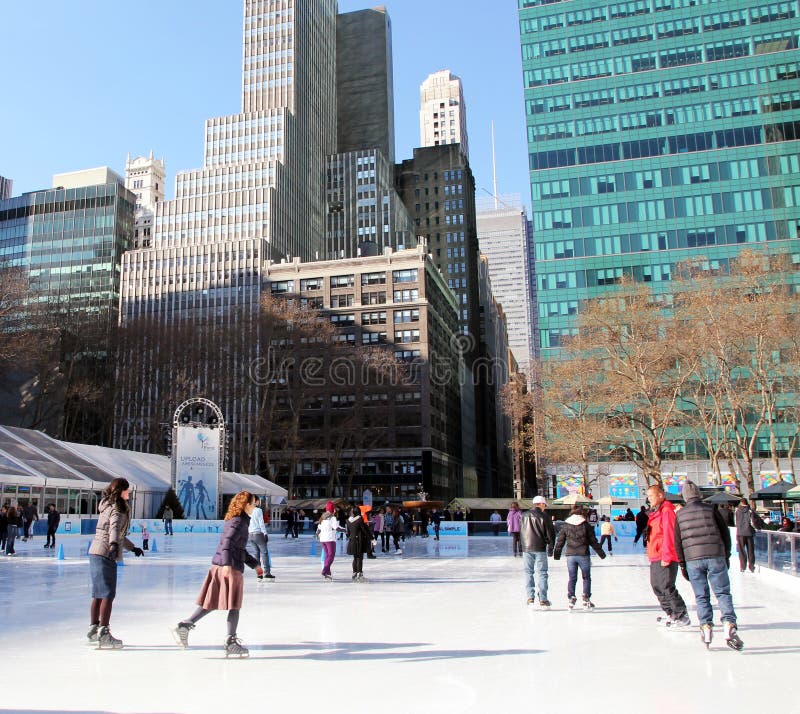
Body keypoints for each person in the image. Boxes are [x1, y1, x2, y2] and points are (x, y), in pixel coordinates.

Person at [173, 491, 262, 657]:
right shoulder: (238, 522)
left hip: (222, 566)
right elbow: (227, 544)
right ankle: (231, 642)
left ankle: (185, 625)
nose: (254, 507)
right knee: (234, 605)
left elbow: (238, 549)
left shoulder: (235, 520)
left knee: (211, 602)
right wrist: (228, 565)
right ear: (245, 504)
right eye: (253, 504)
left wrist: (254, 564)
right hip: (228, 567)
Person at [675, 481, 744, 651]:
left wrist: (682, 564)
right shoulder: (710, 509)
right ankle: (729, 622)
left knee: (701, 596)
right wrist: (726, 555)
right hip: (715, 555)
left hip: (693, 559)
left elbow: (678, 542)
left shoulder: (680, 515)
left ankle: (706, 627)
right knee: (722, 592)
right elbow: (725, 533)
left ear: (684, 497)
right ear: (699, 494)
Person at [88, 478, 144, 648]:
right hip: (106, 553)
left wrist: (132, 548)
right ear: (121, 491)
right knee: (108, 595)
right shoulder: (118, 509)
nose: (129, 493)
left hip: (95, 552)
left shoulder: (106, 506)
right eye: (127, 490)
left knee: (98, 594)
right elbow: (114, 529)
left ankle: (93, 629)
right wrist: (113, 546)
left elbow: (117, 533)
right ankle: (104, 633)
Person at [646, 484, 690, 628]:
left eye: (651, 496)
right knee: (656, 586)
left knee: (666, 586)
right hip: (655, 554)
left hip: (665, 555)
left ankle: (681, 614)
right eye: (648, 496)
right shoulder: (656, 512)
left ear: (660, 495)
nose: (649, 499)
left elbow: (670, 535)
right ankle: (670, 612)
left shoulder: (667, 511)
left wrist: (667, 555)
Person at [553, 504, 606, 609]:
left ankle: (571, 597)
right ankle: (586, 597)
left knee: (572, 578)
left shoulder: (566, 525)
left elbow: (560, 540)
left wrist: (557, 554)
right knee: (586, 577)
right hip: (583, 554)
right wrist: (601, 554)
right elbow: (593, 541)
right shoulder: (586, 525)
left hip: (570, 555)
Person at [520, 496, 555, 608]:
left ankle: (530, 598)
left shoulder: (524, 515)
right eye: (544, 505)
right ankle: (543, 599)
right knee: (542, 573)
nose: (545, 507)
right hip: (540, 547)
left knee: (528, 572)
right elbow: (551, 534)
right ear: (541, 504)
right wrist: (550, 548)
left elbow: (521, 531)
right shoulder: (544, 516)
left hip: (526, 548)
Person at [248, 497, 274, 581]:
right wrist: (265, 533)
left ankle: (259, 574)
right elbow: (261, 523)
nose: (259, 502)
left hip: (250, 535)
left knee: (256, 554)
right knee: (264, 553)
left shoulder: (247, 510)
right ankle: (267, 573)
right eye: (258, 500)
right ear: (255, 501)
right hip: (258, 534)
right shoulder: (258, 510)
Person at [317, 501, 343, 580]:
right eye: (334, 509)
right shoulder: (332, 517)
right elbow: (337, 528)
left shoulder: (322, 517)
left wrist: (317, 535)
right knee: (331, 556)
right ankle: (324, 571)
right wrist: (345, 530)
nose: (335, 510)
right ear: (332, 509)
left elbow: (319, 528)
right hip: (330, 539)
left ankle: (328, 573)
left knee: (327, 556)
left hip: (323, 540)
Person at [734, 499, 762, 573]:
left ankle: (742, 567)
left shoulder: (737, 511)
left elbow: (735, 522)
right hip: (749, 533)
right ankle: (752, 567)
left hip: (740, 533)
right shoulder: (750, 511)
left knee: (741, 551)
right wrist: (758, 528)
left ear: (741, 503)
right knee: (750, 551)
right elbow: (753, 522)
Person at [346, 506, 372, 581]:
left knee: (355, 557)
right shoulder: (359, 519)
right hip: (359, 541)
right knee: (360, 558)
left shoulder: (348, 520)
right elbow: (364, 530)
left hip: (352, 541)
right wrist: (371, 538)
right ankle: (360, 573)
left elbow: (348, 533)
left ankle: (354, 572)